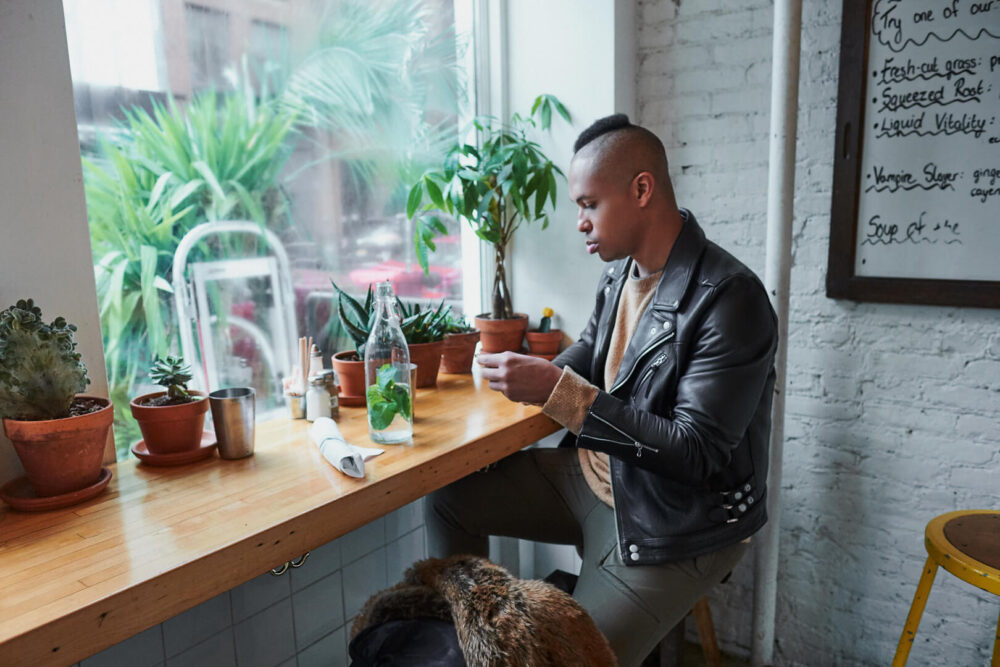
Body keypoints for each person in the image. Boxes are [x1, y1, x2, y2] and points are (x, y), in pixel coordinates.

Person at [424, 114, 778, 667]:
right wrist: (528, 374)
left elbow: (697, 453)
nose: (581, 224)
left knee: (568, 660)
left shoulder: (730, 298)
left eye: (589, 205)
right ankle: (465, 647)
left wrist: (557, 390)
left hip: (679, 516)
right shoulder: (620, 274)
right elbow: (590, 352)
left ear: (642, 189)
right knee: (450, 499)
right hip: (598, 477)